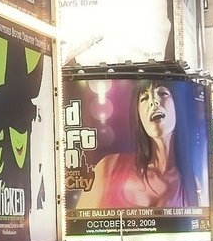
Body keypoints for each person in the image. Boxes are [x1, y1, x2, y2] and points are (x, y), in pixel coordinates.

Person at [74, 80, 199, 211]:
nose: (153, 102)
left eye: (162, 93)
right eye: (144, 98)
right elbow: (78, 225)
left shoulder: (192, 184)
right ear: (138, 113)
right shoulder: (108, 167)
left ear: (177, 104)